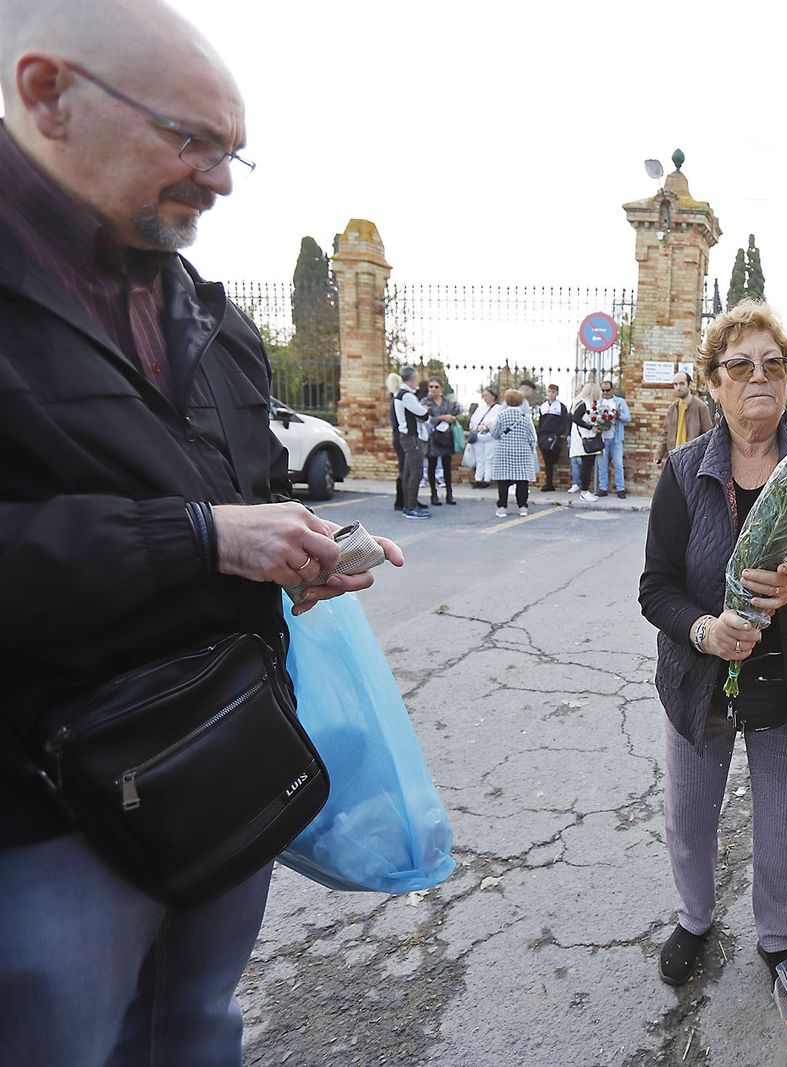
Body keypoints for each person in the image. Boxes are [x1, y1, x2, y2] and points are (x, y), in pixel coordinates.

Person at [0, 3, 405, 1060]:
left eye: (234, 152)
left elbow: (244, 497)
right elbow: (201, 527)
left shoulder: (212, 318)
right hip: (44, 821)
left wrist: (301, 556)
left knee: (197, 1026)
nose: (220, 180)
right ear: (47, 94)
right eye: (190, 140)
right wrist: (199, 538)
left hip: (224, 763)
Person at [639, 302, 787, 992]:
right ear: (714, 382)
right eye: (739, 365)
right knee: (689, 815)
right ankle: (695, 918)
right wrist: (705, 630)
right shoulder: (684, 472)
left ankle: (778, 937)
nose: (758, 376)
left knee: (785, 825)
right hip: (700, 681)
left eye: (773, 363)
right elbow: (656, 587)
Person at [488, 387, 538, 517]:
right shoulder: (526, 417)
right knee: (522, 481)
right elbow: (532, 437)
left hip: (504, 451)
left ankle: (502, 507)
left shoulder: (501, 415)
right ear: (521, 401)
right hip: (522, 452)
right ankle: (522, 507)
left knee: (503, 481)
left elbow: (494, 433)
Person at [655, 368, 712, 467]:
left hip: (692, 461)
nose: (678, 388)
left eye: (681, 384)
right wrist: (658, 454)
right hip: (674, 459)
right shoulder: (672, 408)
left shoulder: (701, 407)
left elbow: (708, 436)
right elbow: (665, 434)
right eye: (675, 384)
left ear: (689, 385)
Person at [393, 365, 430, 518]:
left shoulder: (400, 394)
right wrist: (424, 410)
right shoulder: (407, 395)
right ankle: (411, 507)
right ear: (413, 379)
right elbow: (424, 414)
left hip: (406, 436)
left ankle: (408, 504)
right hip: (411, 437)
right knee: (416, 472)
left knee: (408, 472)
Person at [424, 377, 461, 506]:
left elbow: (455, 413)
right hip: (432, 437)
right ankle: (433, 493)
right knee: (432, 465)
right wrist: (441, 417)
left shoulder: (448, 402)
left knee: (447, 466)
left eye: (436, 387)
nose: (433, 389)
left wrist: (452, 418)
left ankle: (449, 494)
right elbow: (425, 418)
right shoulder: (425, 402)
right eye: (431, 387)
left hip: (446, 436)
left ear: (441, 389)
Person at [594, 377, 632, 498]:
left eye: (607, 390)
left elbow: (628, 418)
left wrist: (619, 414)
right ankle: (603, 488)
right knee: (602, 465)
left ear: (612, 390)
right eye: (603, 390)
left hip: (616, 438)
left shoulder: (620, 402)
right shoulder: (598, 403)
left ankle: (620, 489)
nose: (605, 393)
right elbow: (592, 418)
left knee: (618, 464)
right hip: (602, 438)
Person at [568, 381, 600, 502]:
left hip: (589, 438)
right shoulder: (583, 403)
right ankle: (584, 491)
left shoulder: (589, 403)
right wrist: (590, 427)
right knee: (586, 466)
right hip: (584, 439)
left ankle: (585, 490)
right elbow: (575, 418)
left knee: (588, 465)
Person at [535, 382, 569, 492]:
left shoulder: (561, 406)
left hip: (555, 436)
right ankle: (548, 483)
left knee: (553, 459)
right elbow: (541, 421)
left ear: (557, 393)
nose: (551, 394)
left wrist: (562, 434)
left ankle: (551, 482)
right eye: (549, 391)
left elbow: (565, 421)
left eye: (553, 392)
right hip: (544, 436)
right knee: (547, 461)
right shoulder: (543, 406)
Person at [467, 384, 501, 488]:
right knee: (479, 458)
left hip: (490, 438)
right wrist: (477, 428)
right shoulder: (480, 408)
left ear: (493, 396)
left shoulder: (498, 408)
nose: (485, 397)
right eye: (484, 395)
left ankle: (487, 479)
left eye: (487, 395)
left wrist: (487, 426)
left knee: (489, 458)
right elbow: (473, 421)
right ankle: (478, 478)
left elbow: (497, 421)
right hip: (479, 437)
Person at [387, 370, 406, 509]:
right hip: (401, 438)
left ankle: (402, 500)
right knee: (405, 469)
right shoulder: (398, 401)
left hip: (396, 437)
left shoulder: (393, 401)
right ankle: (402, 500)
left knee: (403, 468)